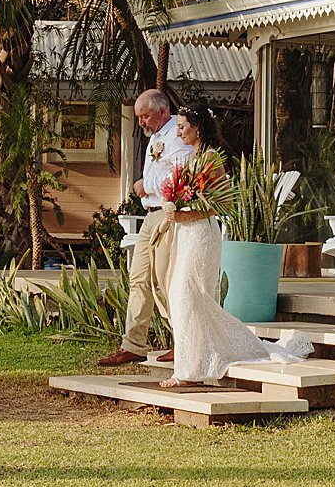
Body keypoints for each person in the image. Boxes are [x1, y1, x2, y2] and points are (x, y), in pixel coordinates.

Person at [158, 106, 315, 385]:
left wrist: (185, 213)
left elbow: (221, 204)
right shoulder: (190, 158)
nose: (178, 131)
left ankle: (190, 372)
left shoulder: (211, 160)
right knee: (184, 297)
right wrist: (173, 208)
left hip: (202, 236)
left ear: (198, 128)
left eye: (182, 126)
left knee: (189, 295)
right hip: (186, 234)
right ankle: (193, 362)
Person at [94, 89, 189, 367]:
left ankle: (181, 340)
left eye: (145, 116)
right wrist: (145, 186)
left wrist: (145, 186)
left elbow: (179, 178)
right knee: (138, 278)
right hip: (150, 213)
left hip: (169, 213)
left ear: (161, 111)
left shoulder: (178, 136)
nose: (141, 123)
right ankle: (133, 344)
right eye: (139, 117)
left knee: (163, 278)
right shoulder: (155, 140)